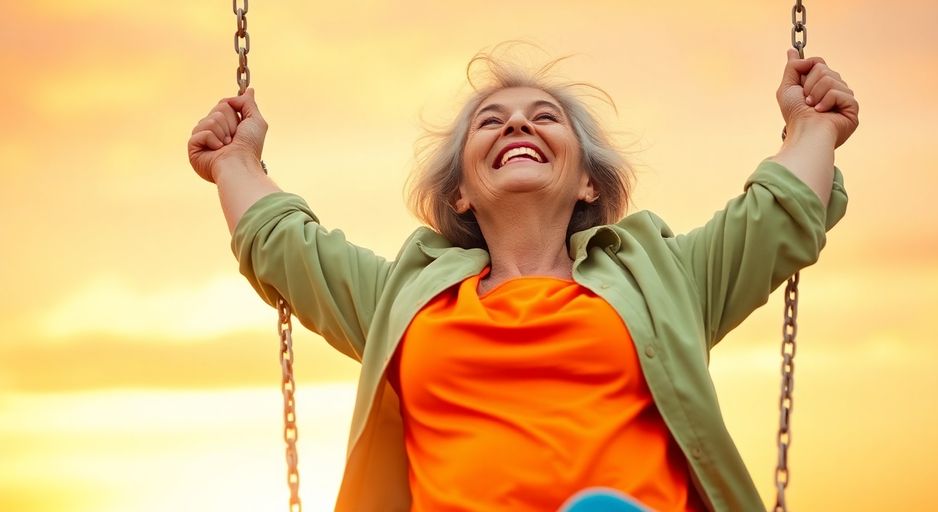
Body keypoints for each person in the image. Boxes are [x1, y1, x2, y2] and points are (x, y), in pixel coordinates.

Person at [187, 47, 857, 512]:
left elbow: (776, 216)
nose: (516, 124)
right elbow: (286, 246)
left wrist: (812, 124)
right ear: (460, 197)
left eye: (544, 118)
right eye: (491, 122)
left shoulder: (663, 277)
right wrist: (236, 160)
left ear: (587, 179)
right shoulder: (407, 300)